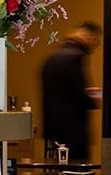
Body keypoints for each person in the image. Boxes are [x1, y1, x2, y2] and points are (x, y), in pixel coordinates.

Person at [39, 21, 101, 161]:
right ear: (88, 36)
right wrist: (93, 99)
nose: (94, 45)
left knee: (57, 170)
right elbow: (78, 95)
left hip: (53, 127)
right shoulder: (75, 57)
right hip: (73, 129)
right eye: (95, 41)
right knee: (76, 172)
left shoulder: (53, 57)